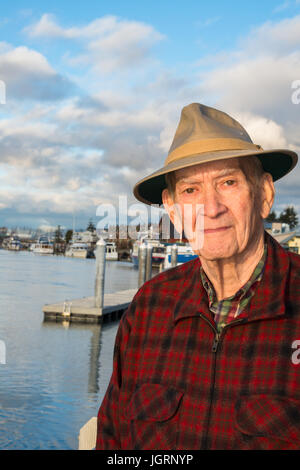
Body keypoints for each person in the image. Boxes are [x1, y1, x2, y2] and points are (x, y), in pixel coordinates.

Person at [96, 103, 300, 450]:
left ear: (263, 195)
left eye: (229, 182)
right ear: (173, 209)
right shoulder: (149, 307)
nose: (211, 207)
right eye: (191, 190)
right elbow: (112, 439)